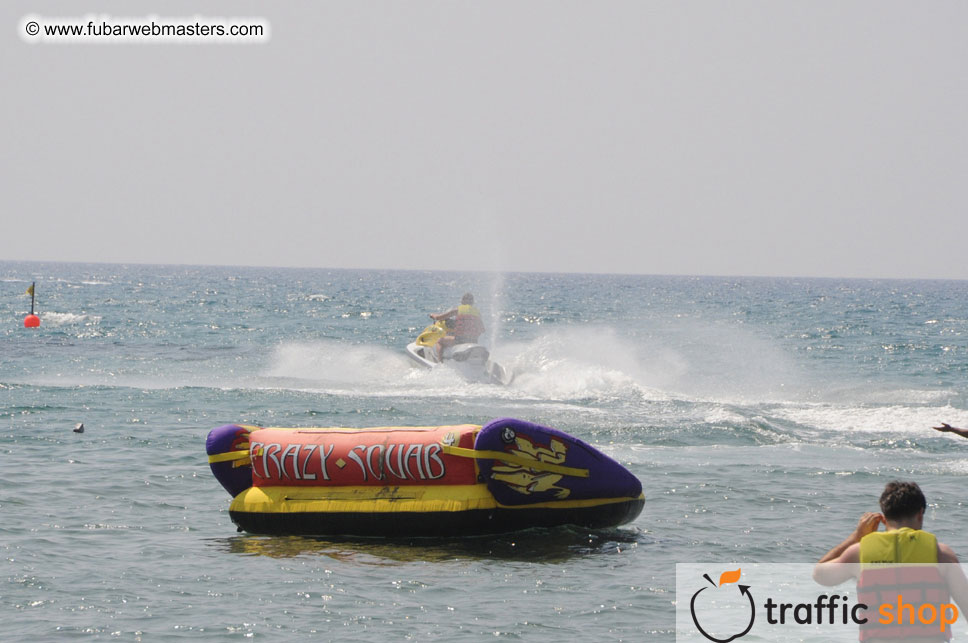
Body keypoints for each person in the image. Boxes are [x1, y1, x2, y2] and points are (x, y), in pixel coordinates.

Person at [814, 481, 968, 641]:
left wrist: (856, 537)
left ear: (883, 517)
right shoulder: (941, 554)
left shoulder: (860, 553)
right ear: (920, 513)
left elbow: (820, 575)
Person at [430, 293, 485, 359]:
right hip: (474, 341)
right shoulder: (478, 313)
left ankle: (440, 362)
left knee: (440, 341)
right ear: (472, 302)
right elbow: (482, 330)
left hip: (460, 340)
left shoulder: (457, 310)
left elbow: (439, 318)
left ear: (462, 301)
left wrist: (433, 315)